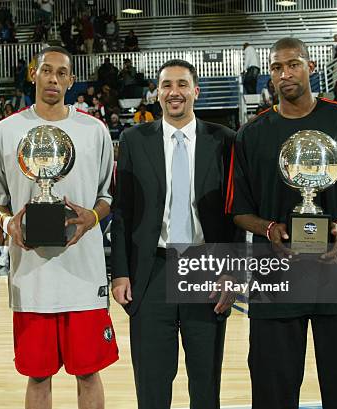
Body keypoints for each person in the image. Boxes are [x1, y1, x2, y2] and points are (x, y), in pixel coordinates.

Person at [228, 37, 337, 409]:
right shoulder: (251, 134)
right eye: (277, 67)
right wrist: (270, 230)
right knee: (272, 396)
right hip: (276, 278)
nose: (285, 73)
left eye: (293, 64)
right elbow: (238, 209)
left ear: (311, 67)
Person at [0, 46, 118, 409]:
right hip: (31, 279)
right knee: (38, 375)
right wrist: (9, 221)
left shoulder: (94, 130)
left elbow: (109, 196)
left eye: (62, 73)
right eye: (47, 70)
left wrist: (92, 216)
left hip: (84, 276)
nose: (53, 79)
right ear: (34, 74)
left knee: (89, 373)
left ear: (71, 81)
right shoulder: (4, 132)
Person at [111, 58, 237, 409]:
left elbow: (234, 215)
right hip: (153, 270)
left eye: (182, 84)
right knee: (152, 379)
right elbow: (123, 211)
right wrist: (120, 272)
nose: (174, 92)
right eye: (167, 85)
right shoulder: (135, 139)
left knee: (205, 379)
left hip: (205, 268)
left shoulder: (224, 140)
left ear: (196, 91)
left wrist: (230, 271)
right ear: (157, 93)